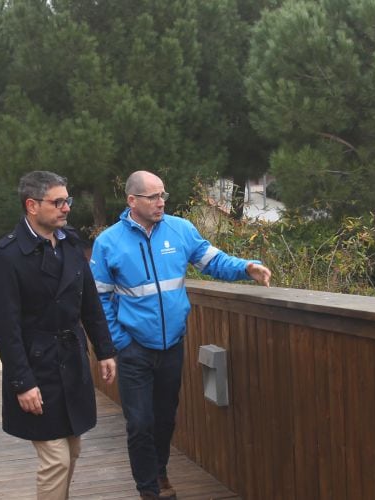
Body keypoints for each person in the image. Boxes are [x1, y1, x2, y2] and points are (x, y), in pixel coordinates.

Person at [90, 170, 271, 499]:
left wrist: (247, 267)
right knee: (139, 422)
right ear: (132, 201)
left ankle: (159, 471)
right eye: (153, 197)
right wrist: (119, 342)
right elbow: (98, 298)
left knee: (164, 418)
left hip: (172, 345)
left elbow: (213, 261)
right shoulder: (108, 242)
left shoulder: (180, 229)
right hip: (133, 349)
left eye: (163, 195)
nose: (161, 202)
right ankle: (148, 488)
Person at [0, 171, 117, 499]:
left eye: (67, 200)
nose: (66, 208)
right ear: (31, 205)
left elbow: (89, 303)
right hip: (36, 366)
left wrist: (105, 350)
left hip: (71, 362)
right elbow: (5, 328)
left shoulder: (71, 243)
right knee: (56, 459)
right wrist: (22, 382)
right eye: (57, 202)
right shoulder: (6, 257)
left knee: (71, 451)